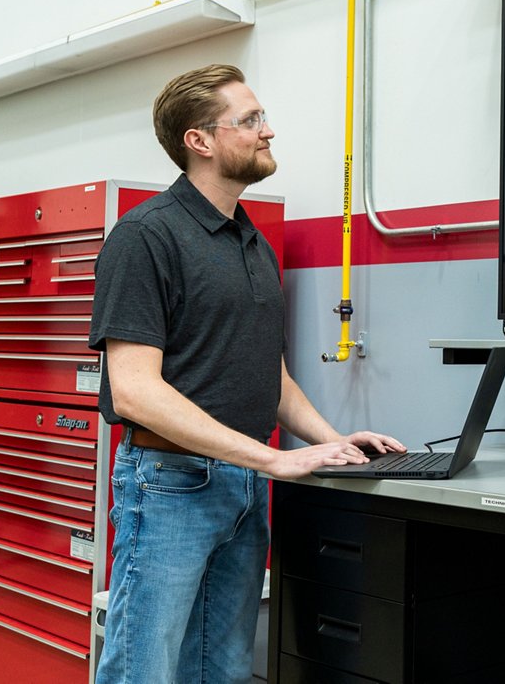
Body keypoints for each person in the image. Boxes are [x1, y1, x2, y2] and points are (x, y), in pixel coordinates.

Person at [89, 63, 404, 683]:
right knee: (141, 670)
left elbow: (272, 374)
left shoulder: (249, 242)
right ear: (199, 141)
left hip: (238, 488)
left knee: (222, 669)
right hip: (168, 488)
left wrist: (329, 440)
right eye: (252, 119)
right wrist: (272, 460)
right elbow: (134, 391)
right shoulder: (145, 237)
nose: (269, 132)